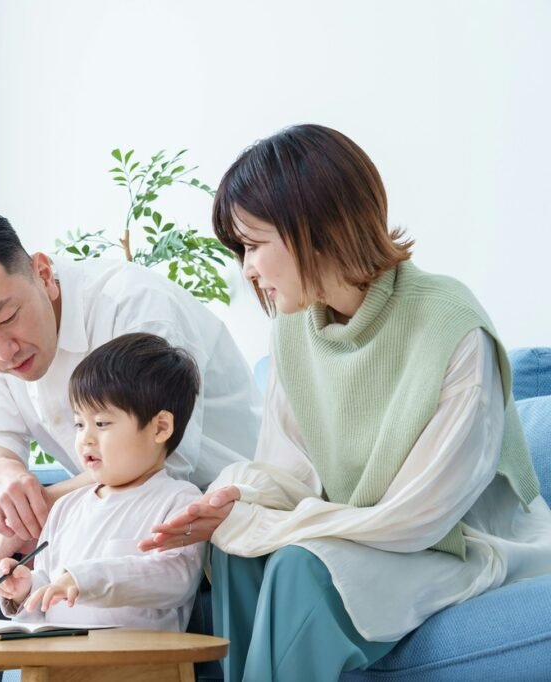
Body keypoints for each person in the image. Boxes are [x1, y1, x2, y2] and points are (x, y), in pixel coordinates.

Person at [140, 124, 551, 681]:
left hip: (455, 545)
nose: (248, 270)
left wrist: (273, 527)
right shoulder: (293, 330)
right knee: (235, 549)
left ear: (317, 227)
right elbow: (289, 470)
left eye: (255, 245)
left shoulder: (450, 324)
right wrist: (237, 502)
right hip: (368, 536)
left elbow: (422, 516)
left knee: (297, 567)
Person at [0, 204, 260, 682]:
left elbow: (161, 461)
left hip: (194, 488)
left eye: (7, 318)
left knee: (44, 518)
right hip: (101, 486)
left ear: (44, 274)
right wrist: (7, 478)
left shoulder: (133, 308)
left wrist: (43, 505)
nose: (2, 352)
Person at [0, 333, 206, 630]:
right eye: (80, 424)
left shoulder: (180, 501)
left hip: (138, 666)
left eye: (102, 423)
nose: (85, 438)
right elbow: (51, 584)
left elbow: (174, 578)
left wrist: (84, 579)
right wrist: (26, 588)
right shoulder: (66, 507)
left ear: (160, 428)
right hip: (61, 661)